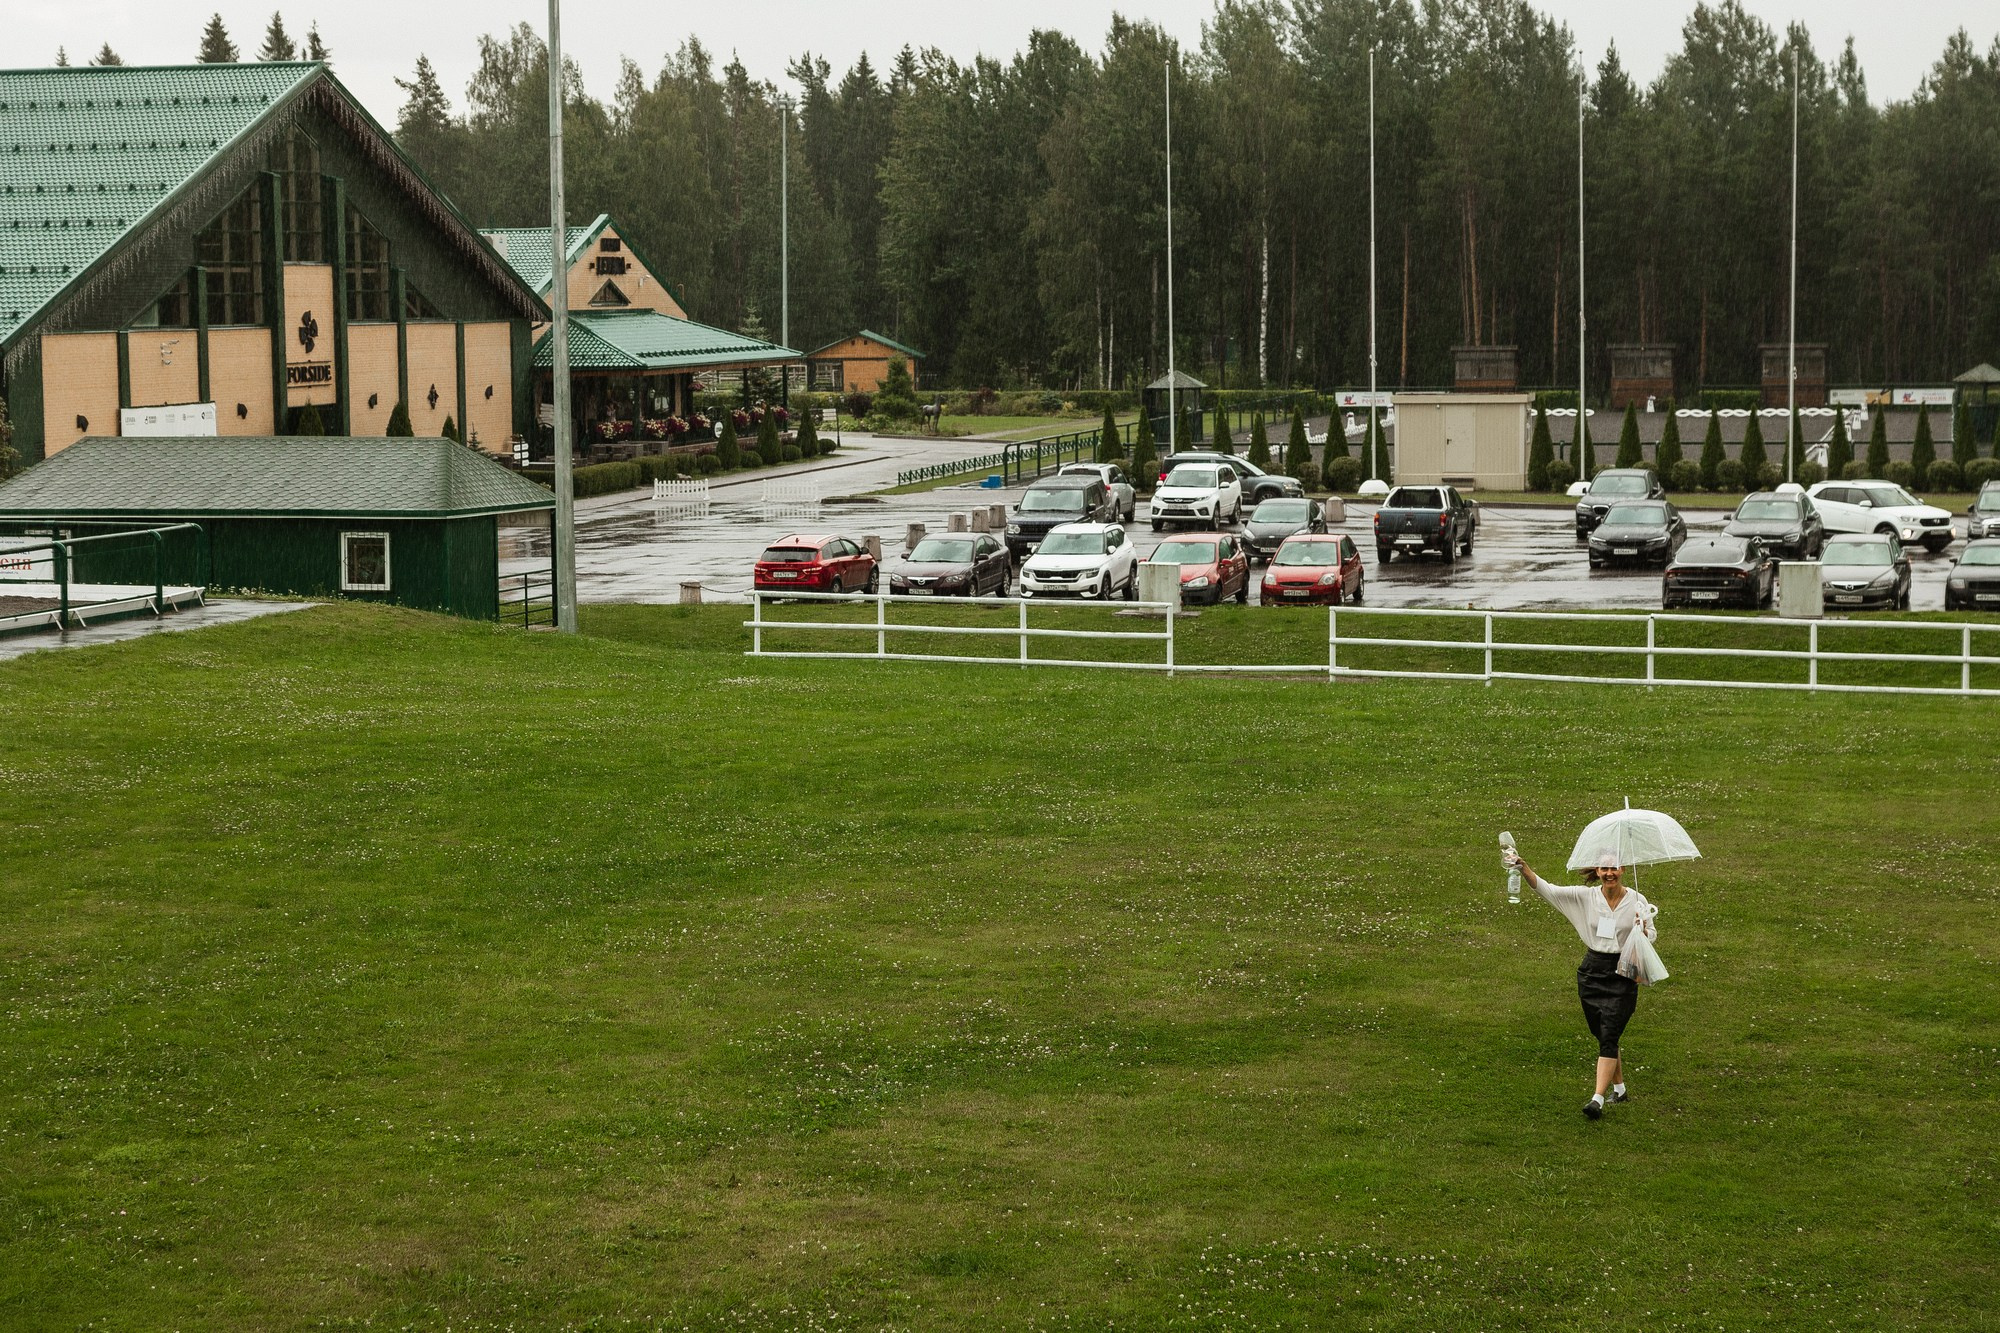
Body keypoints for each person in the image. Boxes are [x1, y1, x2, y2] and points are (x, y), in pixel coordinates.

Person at [1504, 847, 1659, 1120]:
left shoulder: (1637, 900)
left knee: (1610, 1031)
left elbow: (1652, 936)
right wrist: (1522, 867)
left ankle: (1597, 1099)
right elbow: (1546, 889)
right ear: (1597, 872)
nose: (1609, 873)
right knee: (1603, 1033)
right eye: (1604, 869)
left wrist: (1642, 927)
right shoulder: (1585, 897)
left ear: (1623, 870)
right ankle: (1620, 1090)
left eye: (1614, 868)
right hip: (1592, 971)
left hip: (1624, 970)